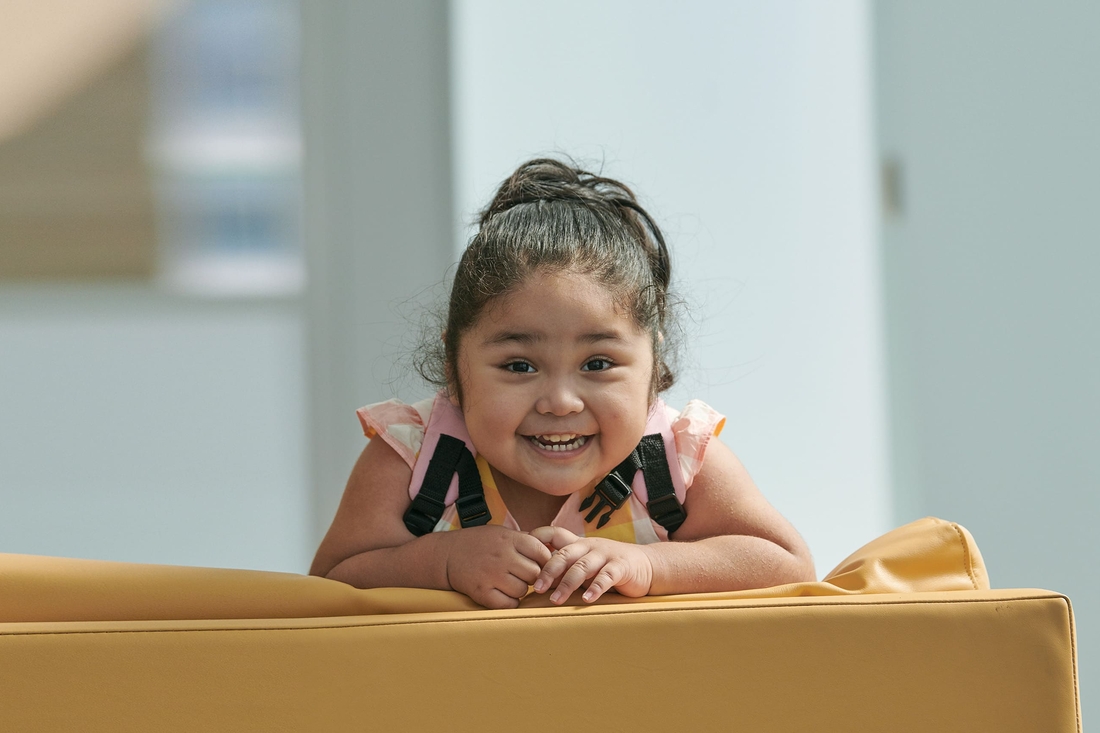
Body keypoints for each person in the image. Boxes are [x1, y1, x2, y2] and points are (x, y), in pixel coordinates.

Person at [311, 158, 814, 609]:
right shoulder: (413, 460)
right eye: (519, 366)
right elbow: (330, 583)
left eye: (597, 364)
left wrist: (649, 565)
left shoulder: (675, 462)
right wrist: (440, 562)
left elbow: (786, 565)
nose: (559, 402)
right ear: (453, 364)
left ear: (654, 362)